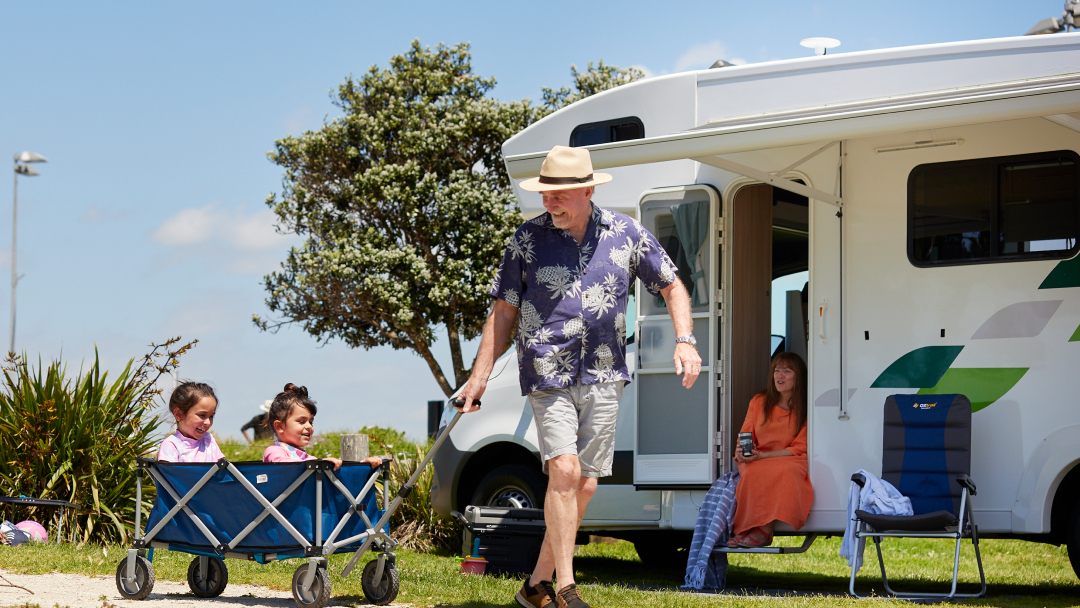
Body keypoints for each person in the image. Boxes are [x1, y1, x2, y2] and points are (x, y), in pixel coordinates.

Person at [456, 145, 702, 608]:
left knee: (584, 483)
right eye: (546, 194)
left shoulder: (625, 233)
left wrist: (685, 340)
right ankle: (567, 587)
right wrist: (479, 377)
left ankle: (534, 586)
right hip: (547, 367)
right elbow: (504, 311)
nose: (550, 203)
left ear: (588, 190)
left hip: (606, 371)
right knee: (563, 471)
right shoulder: (526, 240)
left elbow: (672, 284)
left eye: (560, 194)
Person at [726, 351, 813, 548]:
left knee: (787, 470)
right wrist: (742, 452)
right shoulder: (759, 401)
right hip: (757, 458)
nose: (779, 376)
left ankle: (763, 532)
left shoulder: (807, 406)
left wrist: (764, 456)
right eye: (776, 371)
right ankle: (747, 530)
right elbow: (745, 434)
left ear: (798, 377)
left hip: (789, 457)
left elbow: (800, 447)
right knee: (752, 470)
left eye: (787, 371)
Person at [262, 383, 384, 470]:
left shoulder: (306, 458)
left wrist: (363, 465)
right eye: (301, 421)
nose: (309, 426)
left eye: (311, 422)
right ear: (279, 426)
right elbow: (284, 466)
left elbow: (339, 473)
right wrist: (317, 464)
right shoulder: (274, 452)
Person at [157, 382, 225, 463]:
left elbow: (222, 470)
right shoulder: (172, 445)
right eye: (202, 415)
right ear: (179, 414)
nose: (208, 422)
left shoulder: (209, 440)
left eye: (211, 416)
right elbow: (169, 474)